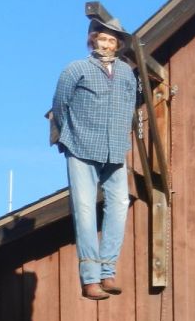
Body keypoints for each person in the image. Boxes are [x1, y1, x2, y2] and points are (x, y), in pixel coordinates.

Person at [51, 16, 141, 300]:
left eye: (112, 40)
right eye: (102, 38)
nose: (106, 44)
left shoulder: (126, 73)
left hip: (115, 149)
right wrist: (71, 135)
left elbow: (131, 104)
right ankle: (90, 278)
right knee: (85, 208)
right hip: (81, 146)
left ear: (118, 45)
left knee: (120, 203)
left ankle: (107, 270)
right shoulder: (75, 69)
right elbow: (60, 105)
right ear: (92, 41)